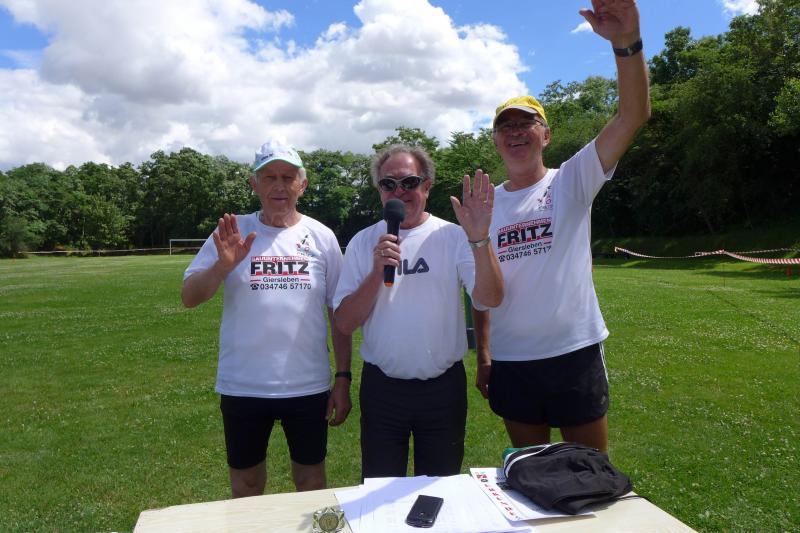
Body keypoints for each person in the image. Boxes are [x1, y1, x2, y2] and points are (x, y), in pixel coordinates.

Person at [473, 0, 651, 453]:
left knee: (591, 473)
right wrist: (485, 353)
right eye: (505, 126)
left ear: (546, 135)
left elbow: (632, 115)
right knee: (529, 475)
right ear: (495, 142)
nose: (516, 131)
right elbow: (482, 293)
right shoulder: (483, 205)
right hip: (513, 359)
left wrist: (626, 43)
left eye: (527, 123)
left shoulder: (571, 179)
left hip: (574, 352)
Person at [181, 140, 352, 497]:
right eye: (269, 177)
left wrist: (342, 378)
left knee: (311, 483)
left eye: (288, 177)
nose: (279, 186)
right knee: (246, 485)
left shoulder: (321, 237)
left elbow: (339, 312)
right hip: (243, 385)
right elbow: (190, 297)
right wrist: (222, 266)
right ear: (253, 184)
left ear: (302, 185)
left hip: (307, 385)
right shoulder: (232, 232)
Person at [333, 144, 503, 479]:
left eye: (409, 182)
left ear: (426, 186)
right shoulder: (363, 242)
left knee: (441, 488)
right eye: (388, 184)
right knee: (379, 486)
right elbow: (344, 322)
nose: (399, 192)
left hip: (442, 389)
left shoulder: (454, 236)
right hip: (383, 390)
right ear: (379, 190)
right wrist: (376, 272)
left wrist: (480, 239)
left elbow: (490, 298)